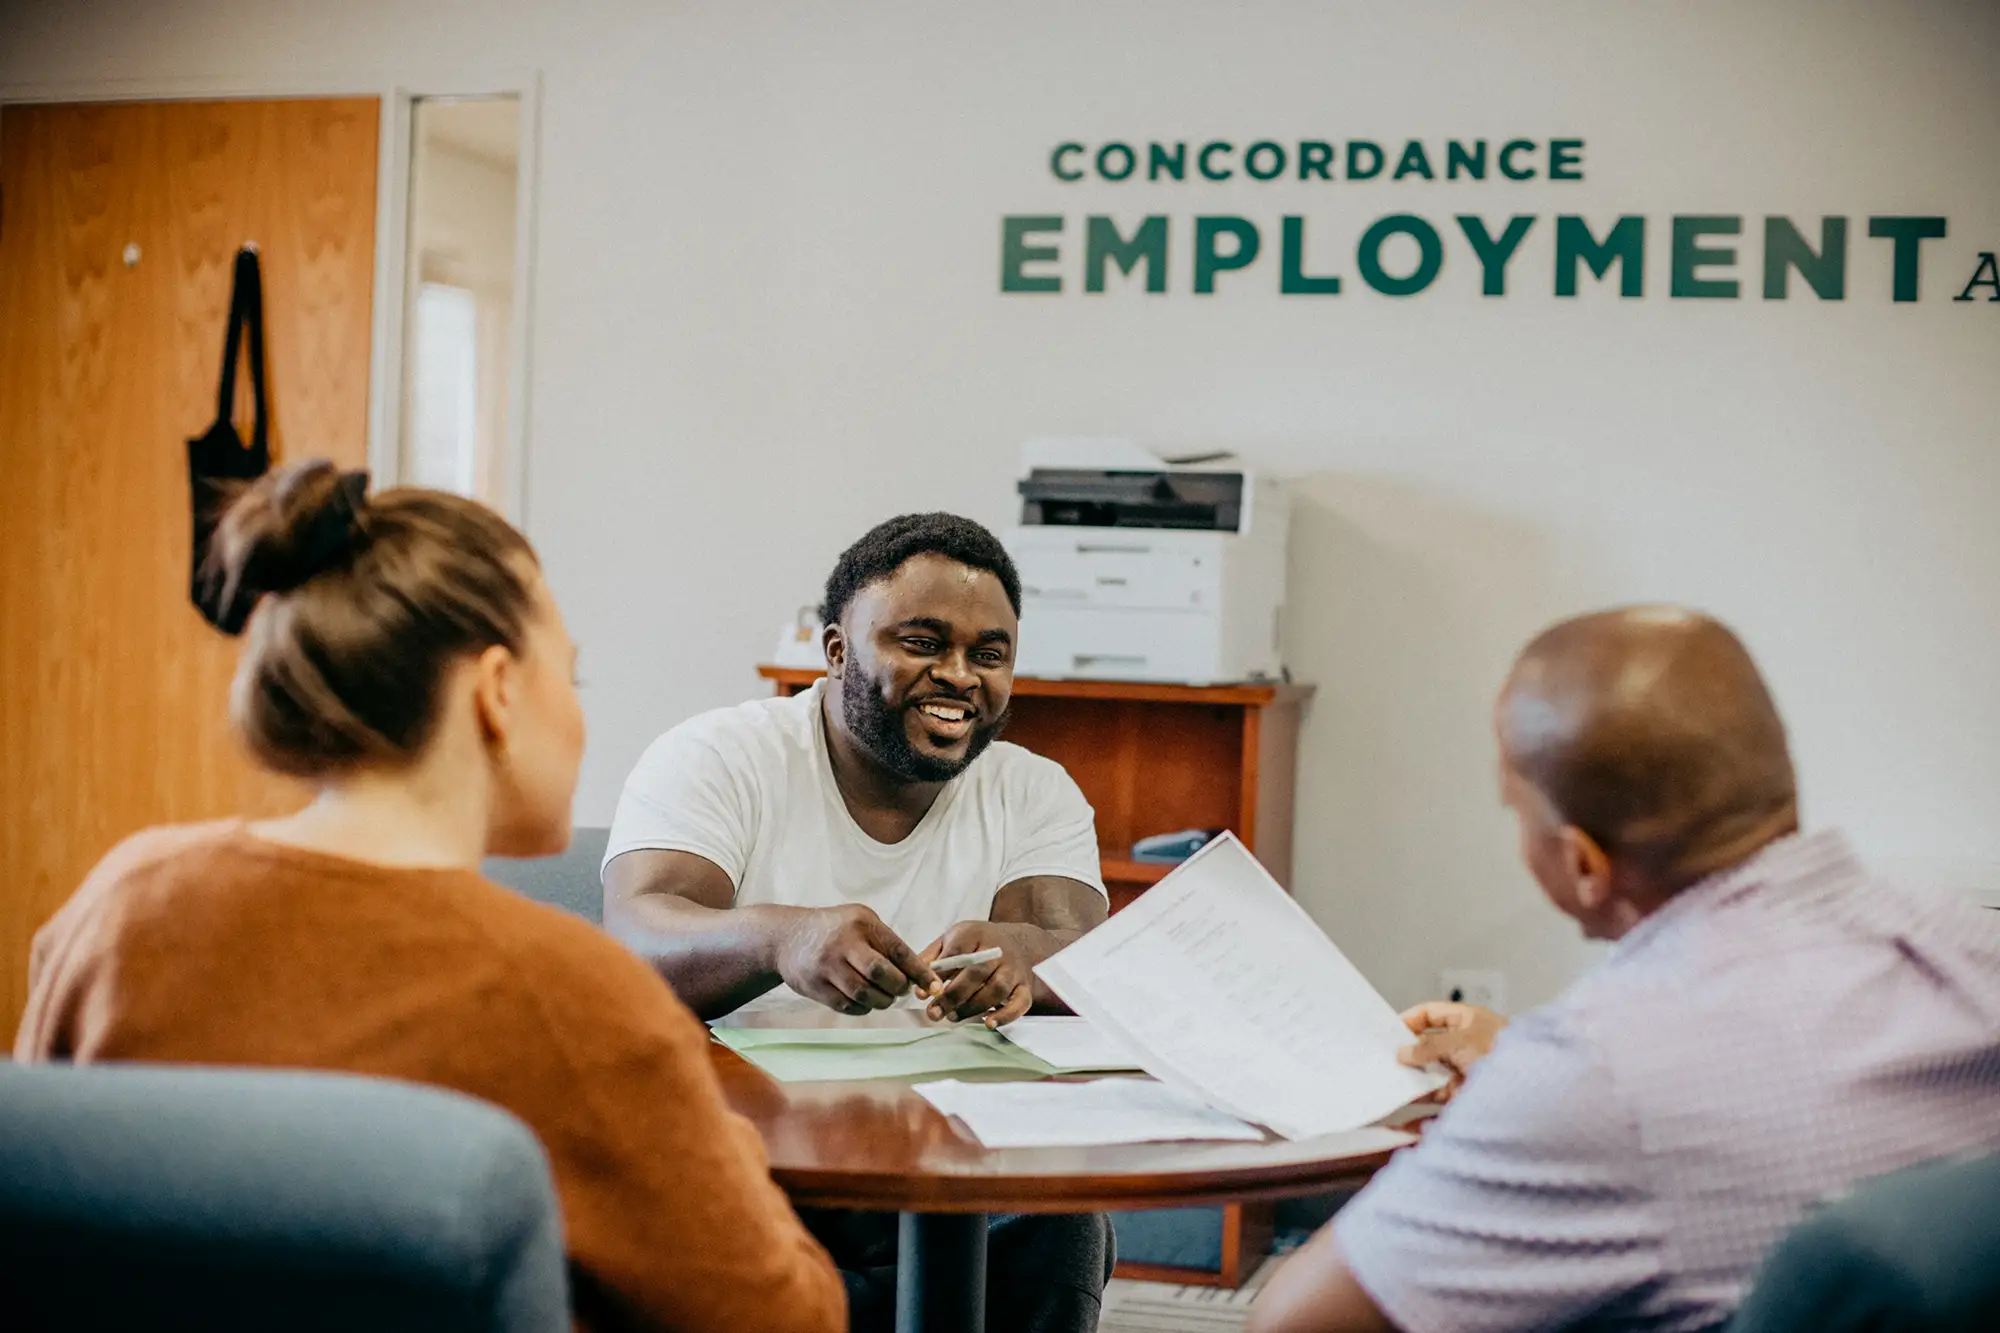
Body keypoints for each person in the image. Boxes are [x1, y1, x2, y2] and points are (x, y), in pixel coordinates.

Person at [15, 461, 844, 1333]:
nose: (579, 715)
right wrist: (731, 1156)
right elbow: (789, 1320)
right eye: (571, 674)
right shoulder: (577, 999)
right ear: (495, 692)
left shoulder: (119, 905)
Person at [1250, 606, 2000, 1333]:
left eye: (1515, 810)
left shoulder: (1595, 1074)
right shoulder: (1970, 944)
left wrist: (1494, 1128)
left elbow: (1292, 1322)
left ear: (1584, 864)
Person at [603, 511, 1114, 1331]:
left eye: (989, 654)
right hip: (750, 1145)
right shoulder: (718, 756)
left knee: (1058, 1223)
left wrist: (1024, 956)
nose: (959, 675)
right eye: (922, 642)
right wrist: (782, 937)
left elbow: (1089, 954)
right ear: (837, 650)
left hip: (958, 1147)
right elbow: (635, 937)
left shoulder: (1033, 789)